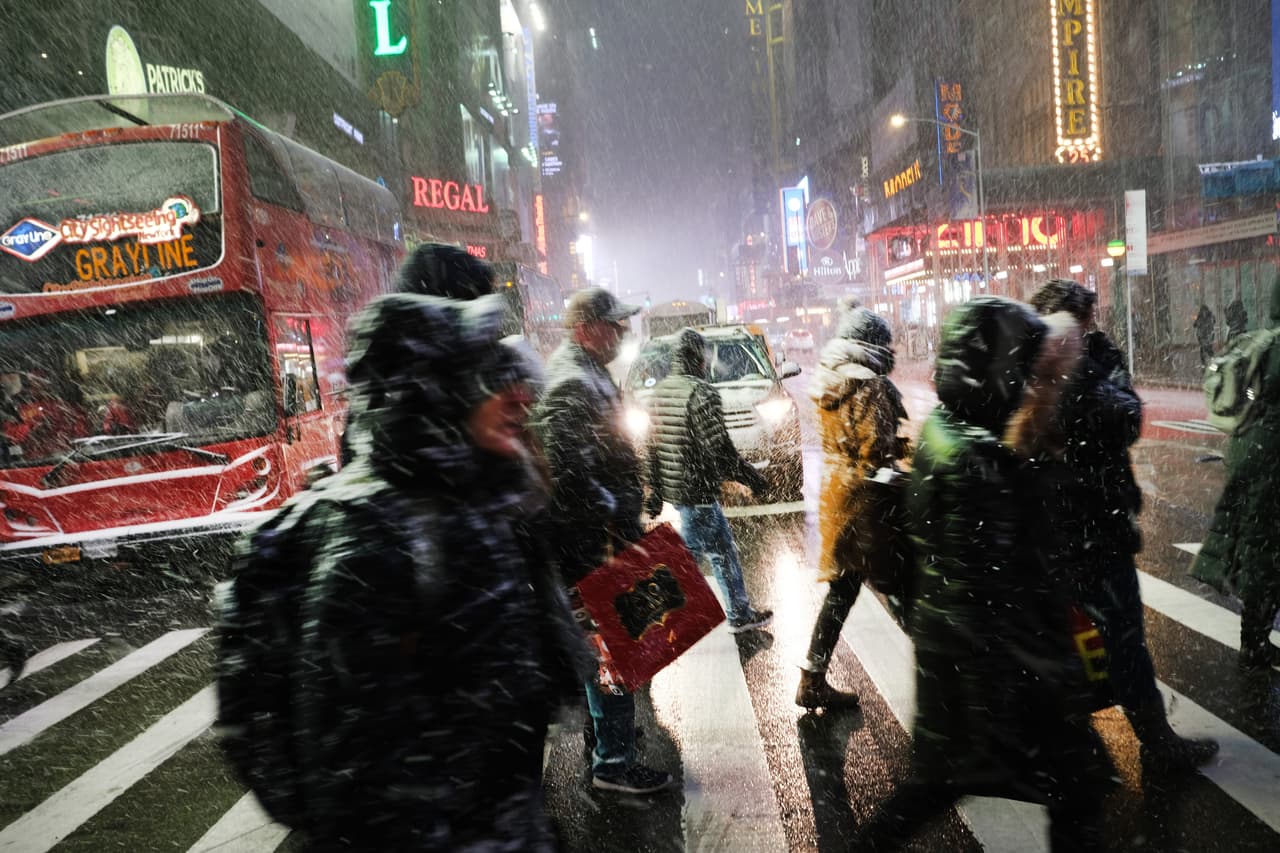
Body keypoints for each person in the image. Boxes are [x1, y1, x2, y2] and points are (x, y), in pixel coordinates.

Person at [287, 292, 587, 849]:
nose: (516, 395)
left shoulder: (467, 502)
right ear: (435, 394)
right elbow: (363, 779)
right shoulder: (379, 539)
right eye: (484, 378)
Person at [853, 297, 1112, 852]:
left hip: (964, 665)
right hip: (991, 674)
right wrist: (1054, 675)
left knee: (936, 785)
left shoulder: (956, 432)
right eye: (1031, 370)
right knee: (1077, 783)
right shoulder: (981, 462)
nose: (1041, 384)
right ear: (1001, 370)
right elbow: (999, 588)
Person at [1031, 279, 1218, 771]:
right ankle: (1151, 742)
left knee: (1073, 634)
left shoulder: (1043, 359)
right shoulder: (1065, 362)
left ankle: (1074, 743)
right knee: (1120, 635)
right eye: (1084, 316)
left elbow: (1122, 416)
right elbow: (1121, 416)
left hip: (1062, 526)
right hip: (1088, 525)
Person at [531, 287, 674, 795]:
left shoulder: (586, 373)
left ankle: (607, 738)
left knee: (611, 649)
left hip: (597, 540)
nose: (621, 334)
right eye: (613, 325)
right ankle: (613, 762)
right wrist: (615, 530)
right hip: (591, 546)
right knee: (614, 649)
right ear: (585, 328)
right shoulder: (572, 382)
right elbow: (571, 480)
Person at [795, 300, 909, 711]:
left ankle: (812, 677)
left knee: (842, 592)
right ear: (872, 344)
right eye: (886, 342)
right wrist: (905, 463)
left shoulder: (833, 381)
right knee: (904, 589)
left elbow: (846, 443)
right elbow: (875, 452)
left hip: (838, 497)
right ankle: (950, 681)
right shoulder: (870, 385)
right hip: (869, 504)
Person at [643, 327, 773, 633]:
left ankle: (739, 612)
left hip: (680, 490)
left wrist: (655, 490)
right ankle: (642, 617)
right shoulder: (702, 393)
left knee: (722, 550)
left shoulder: (660, 393)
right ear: (700, 359)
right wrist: (752, 478)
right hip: (698, 490)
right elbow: (720, 451)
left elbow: (652, 446)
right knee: (686, 558)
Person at [1194, 274, 1280, 669]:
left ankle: (1254, 636)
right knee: (1265, 551)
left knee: (1257, 544)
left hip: (1251, 450)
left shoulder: (1262, 342)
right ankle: (1255, 641)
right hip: (1271, 461)